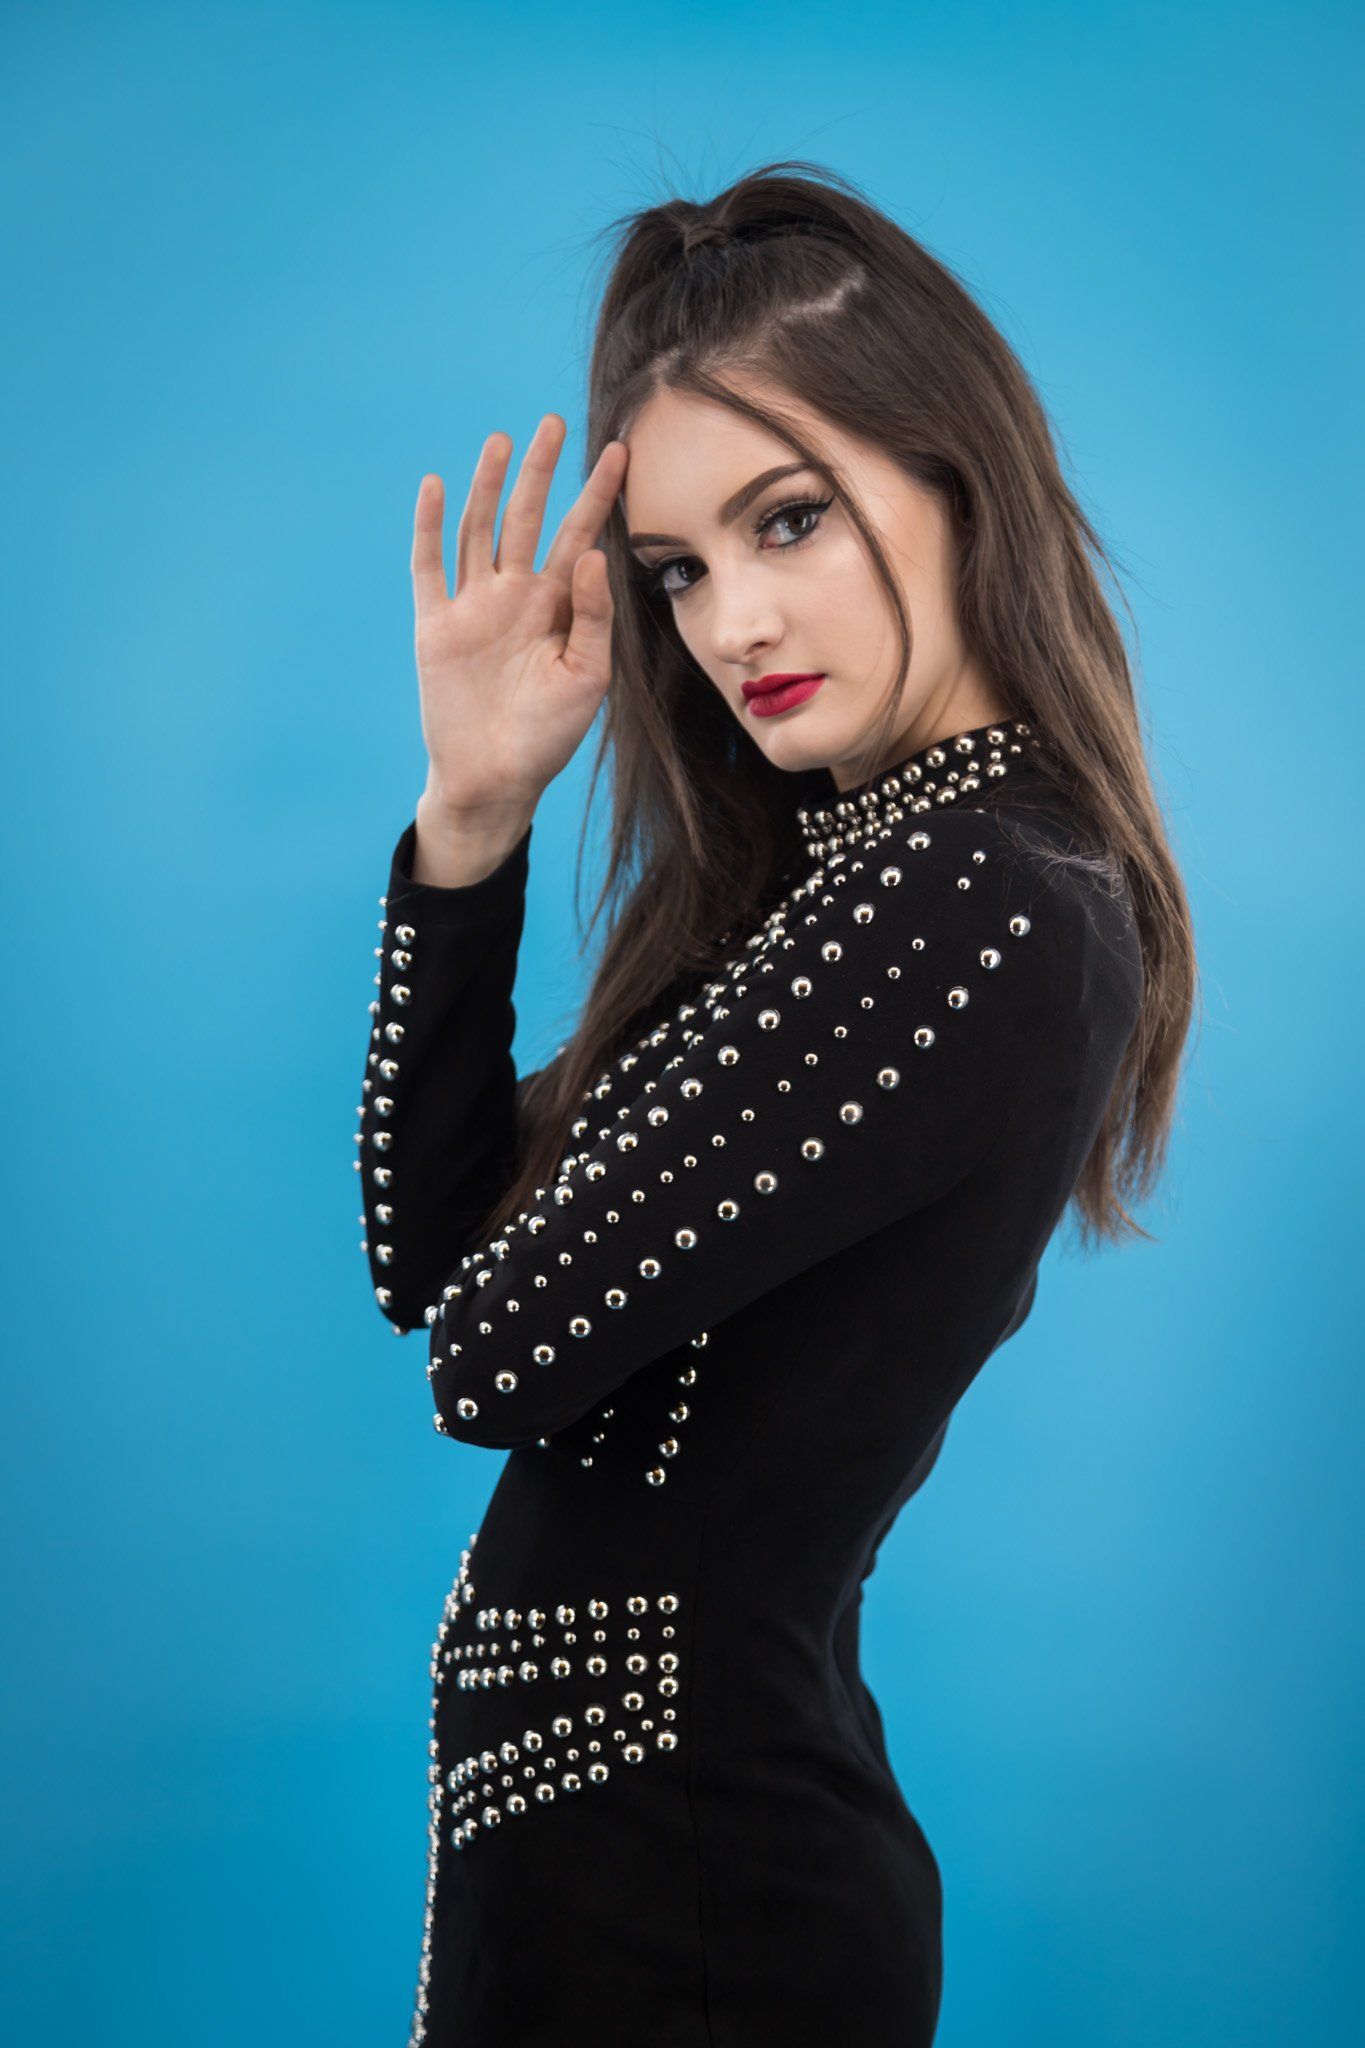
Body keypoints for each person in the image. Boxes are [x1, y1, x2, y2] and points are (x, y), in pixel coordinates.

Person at [354, 159, 1195, 2047]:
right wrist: (472, 826)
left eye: (788, 519)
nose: (730, 621)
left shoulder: (971, 893)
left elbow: (486, 1359)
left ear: (953, 477)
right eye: (678, 570)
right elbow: (434, 1261)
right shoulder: (857, 873)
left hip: (697, 1900)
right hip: (628, 1870)